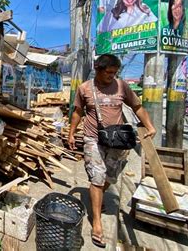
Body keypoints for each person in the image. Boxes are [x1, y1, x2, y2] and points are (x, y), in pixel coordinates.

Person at [68, 54, 156, 248]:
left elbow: (137, 106)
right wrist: (72, 134)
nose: (112, 76)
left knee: (110, 177)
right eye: (109, 72)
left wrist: (149, 126)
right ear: (98, 69)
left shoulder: (122, 86)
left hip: (117, 140)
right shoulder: (84, 89)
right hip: (93, 138)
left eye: (115, 73)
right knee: (97, 177)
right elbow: (77, 112)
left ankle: (96, 198)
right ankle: (97, 221)